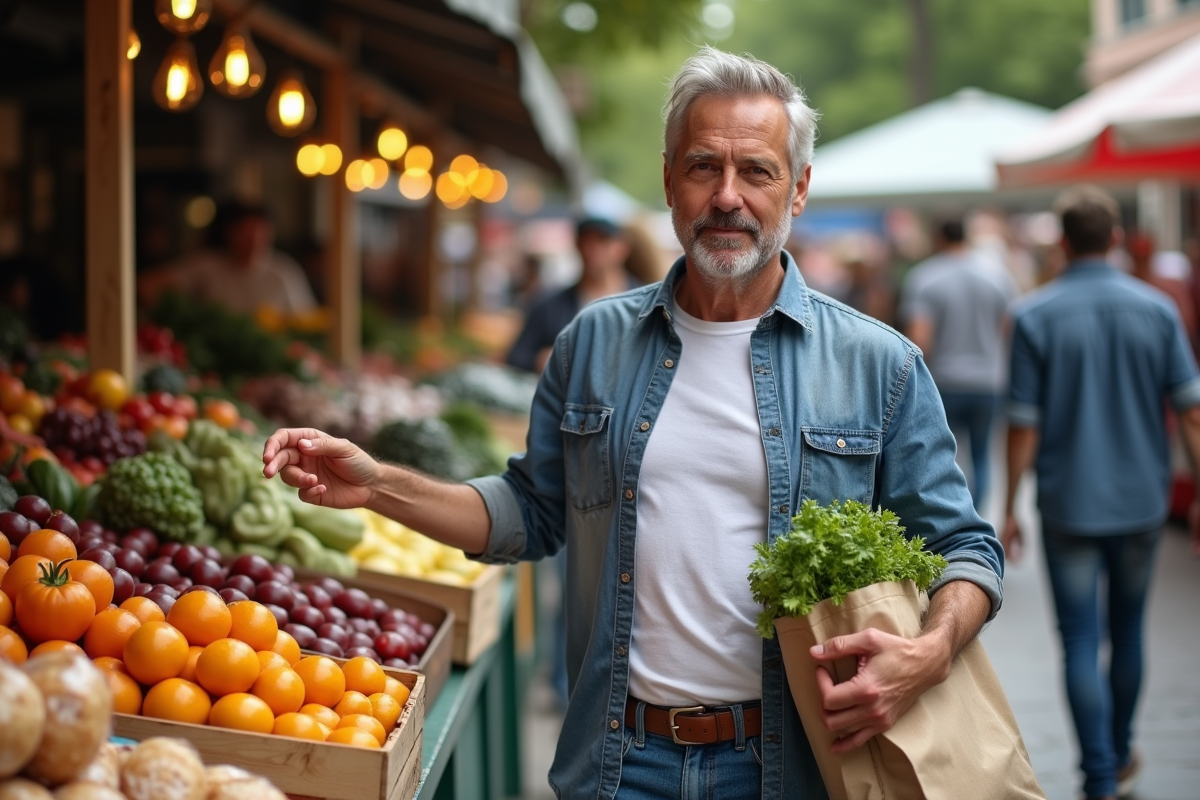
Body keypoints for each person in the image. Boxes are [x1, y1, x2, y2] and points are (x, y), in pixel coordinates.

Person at [264, 47, 1003, 800]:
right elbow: (532, 510)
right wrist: (378, 484)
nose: (726, 197)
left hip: (801, 763)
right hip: (623, 764)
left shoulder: (879, 364)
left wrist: (933, 650)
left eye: (757, 171)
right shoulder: (592, 342)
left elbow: (965, 546)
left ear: (800, 189)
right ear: (668, 180)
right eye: (702, 167)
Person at [1002, 186, 1200, 800]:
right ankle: (1118, 749)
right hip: (1142, 499)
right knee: (1130, 631)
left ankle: (1097, 774)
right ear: (1115, 239)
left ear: (1062, 243)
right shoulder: (1157, 310)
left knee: (1081, 639)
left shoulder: (1034, 315)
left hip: (1067, 504)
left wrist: (1008, 508)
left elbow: (1023, 425)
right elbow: (1191, 412)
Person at [898, 218, 1016, 510]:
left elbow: (920, 338)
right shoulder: (998, 276)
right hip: (989, 381)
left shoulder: (925, 277)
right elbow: (1008, 331)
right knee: (982, 456)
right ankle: (978, 520)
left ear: (939, 239)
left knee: (941, 457)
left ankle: (951, 517)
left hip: (943, 384)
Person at [138, 202, 317, 316]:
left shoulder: (284, 271)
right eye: (246, 234)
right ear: (230, 234)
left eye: (259, 234)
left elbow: (305, 319)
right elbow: (148, 285)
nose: (253, 241)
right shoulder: (208, 265)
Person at [506, 217, 633, 374]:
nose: (592, 250)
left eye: (602, 242)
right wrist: (541, 359)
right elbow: (517, 357)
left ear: (622, 247)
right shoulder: (549, 305)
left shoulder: (648, 303)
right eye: (586, 241)